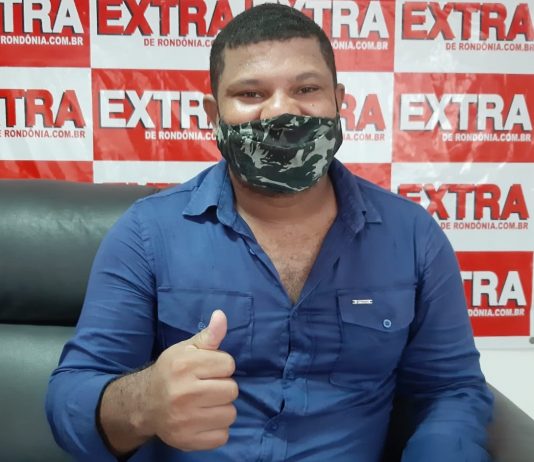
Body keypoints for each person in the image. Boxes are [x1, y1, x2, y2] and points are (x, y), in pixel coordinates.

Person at [46, 4, 493, 461]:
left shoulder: (413, 236)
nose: (281, 111)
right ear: (214, 113)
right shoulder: (147, 233)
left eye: (306, 89)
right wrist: (144, 403)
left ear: (339, 101)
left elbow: (449, 391)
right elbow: (70, 400)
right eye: (251, 93)